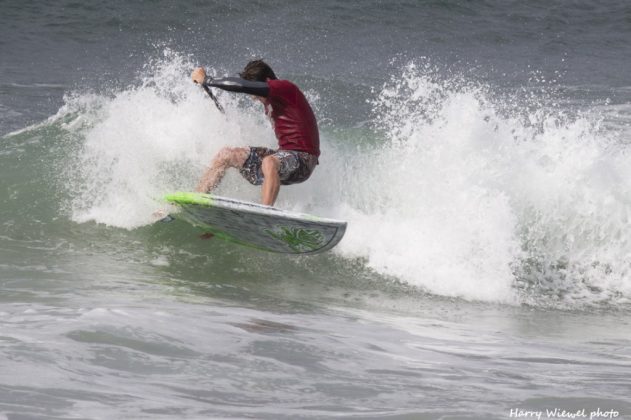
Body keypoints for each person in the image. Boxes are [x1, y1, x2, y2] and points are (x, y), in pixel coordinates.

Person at [191, 60, 320, 206]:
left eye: (257, 94)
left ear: (266, 81)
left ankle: (265, 212)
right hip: (285, 158)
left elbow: (241, 86)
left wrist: (208, 80)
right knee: (226, 154)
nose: (256, 99)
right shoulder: (274, 100)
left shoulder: (283, 88)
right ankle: (195, 200)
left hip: (304, 160)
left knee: (269, 161)